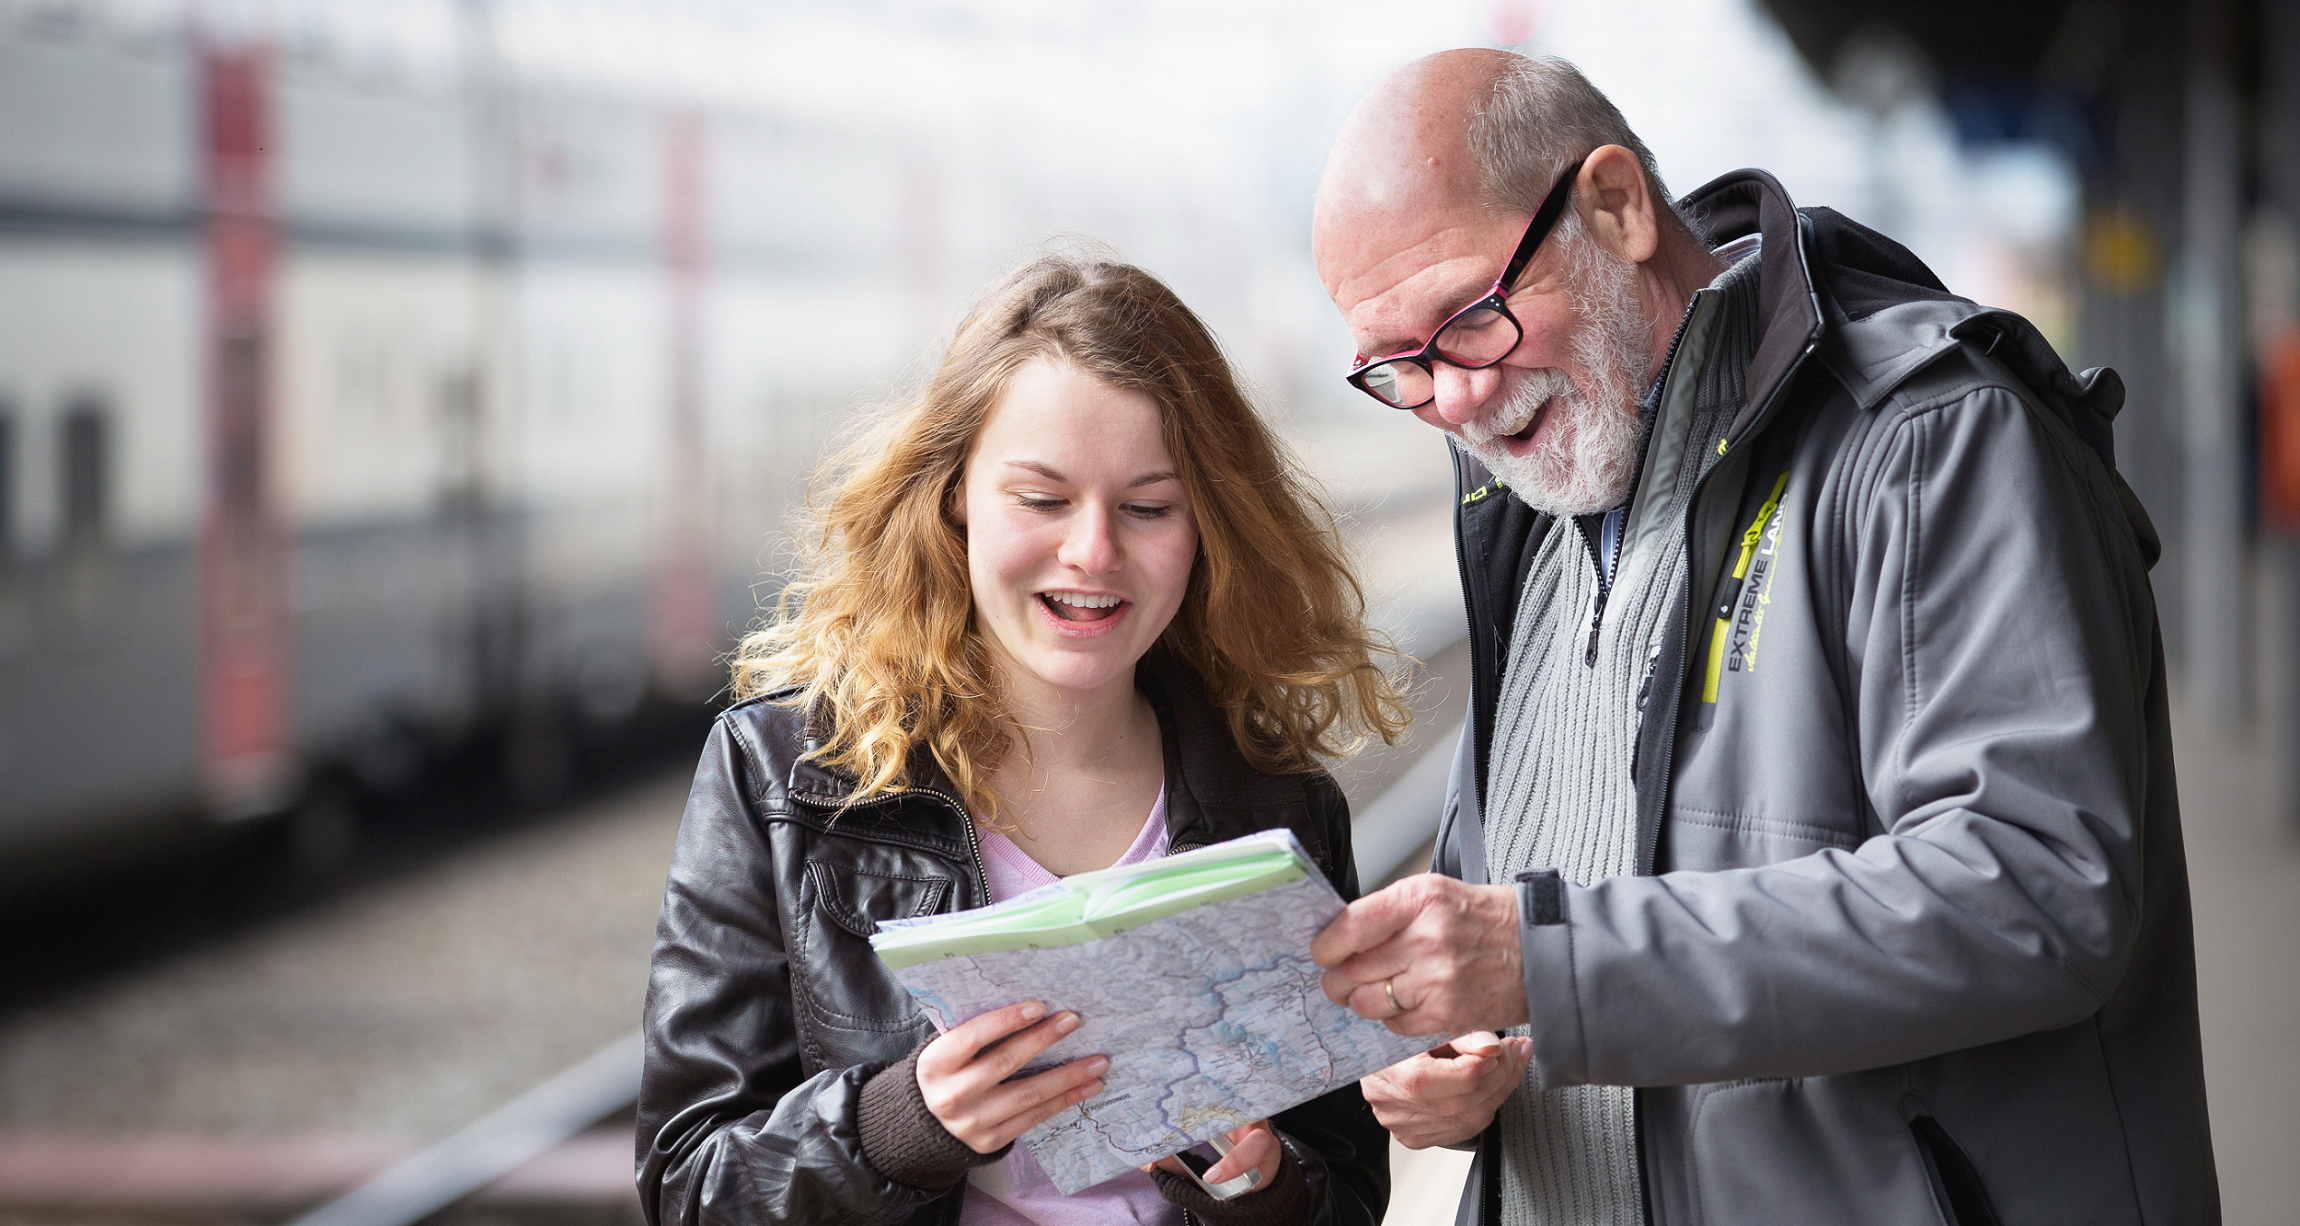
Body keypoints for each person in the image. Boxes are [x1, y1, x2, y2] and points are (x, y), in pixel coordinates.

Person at [1305, 50, 2218, 1226]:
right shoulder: (1529, 509)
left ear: (1618, 206)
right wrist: (1454, 1050)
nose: (1456, 401)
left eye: (1470, 319)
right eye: (1398, 367)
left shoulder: (1932, 444)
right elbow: (1529, 929)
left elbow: (2037, 885)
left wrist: (1546, 960)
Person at [635, 251, 1406, 1226]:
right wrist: (900, 1125)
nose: (1091, 548)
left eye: (1147, 506)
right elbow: (687, 1187)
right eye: (1041, 499)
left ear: (1208, 523)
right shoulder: (782, 774)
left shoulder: (1280, 802)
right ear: (952, 495)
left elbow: (1345, 1193)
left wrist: (1261, 1187)